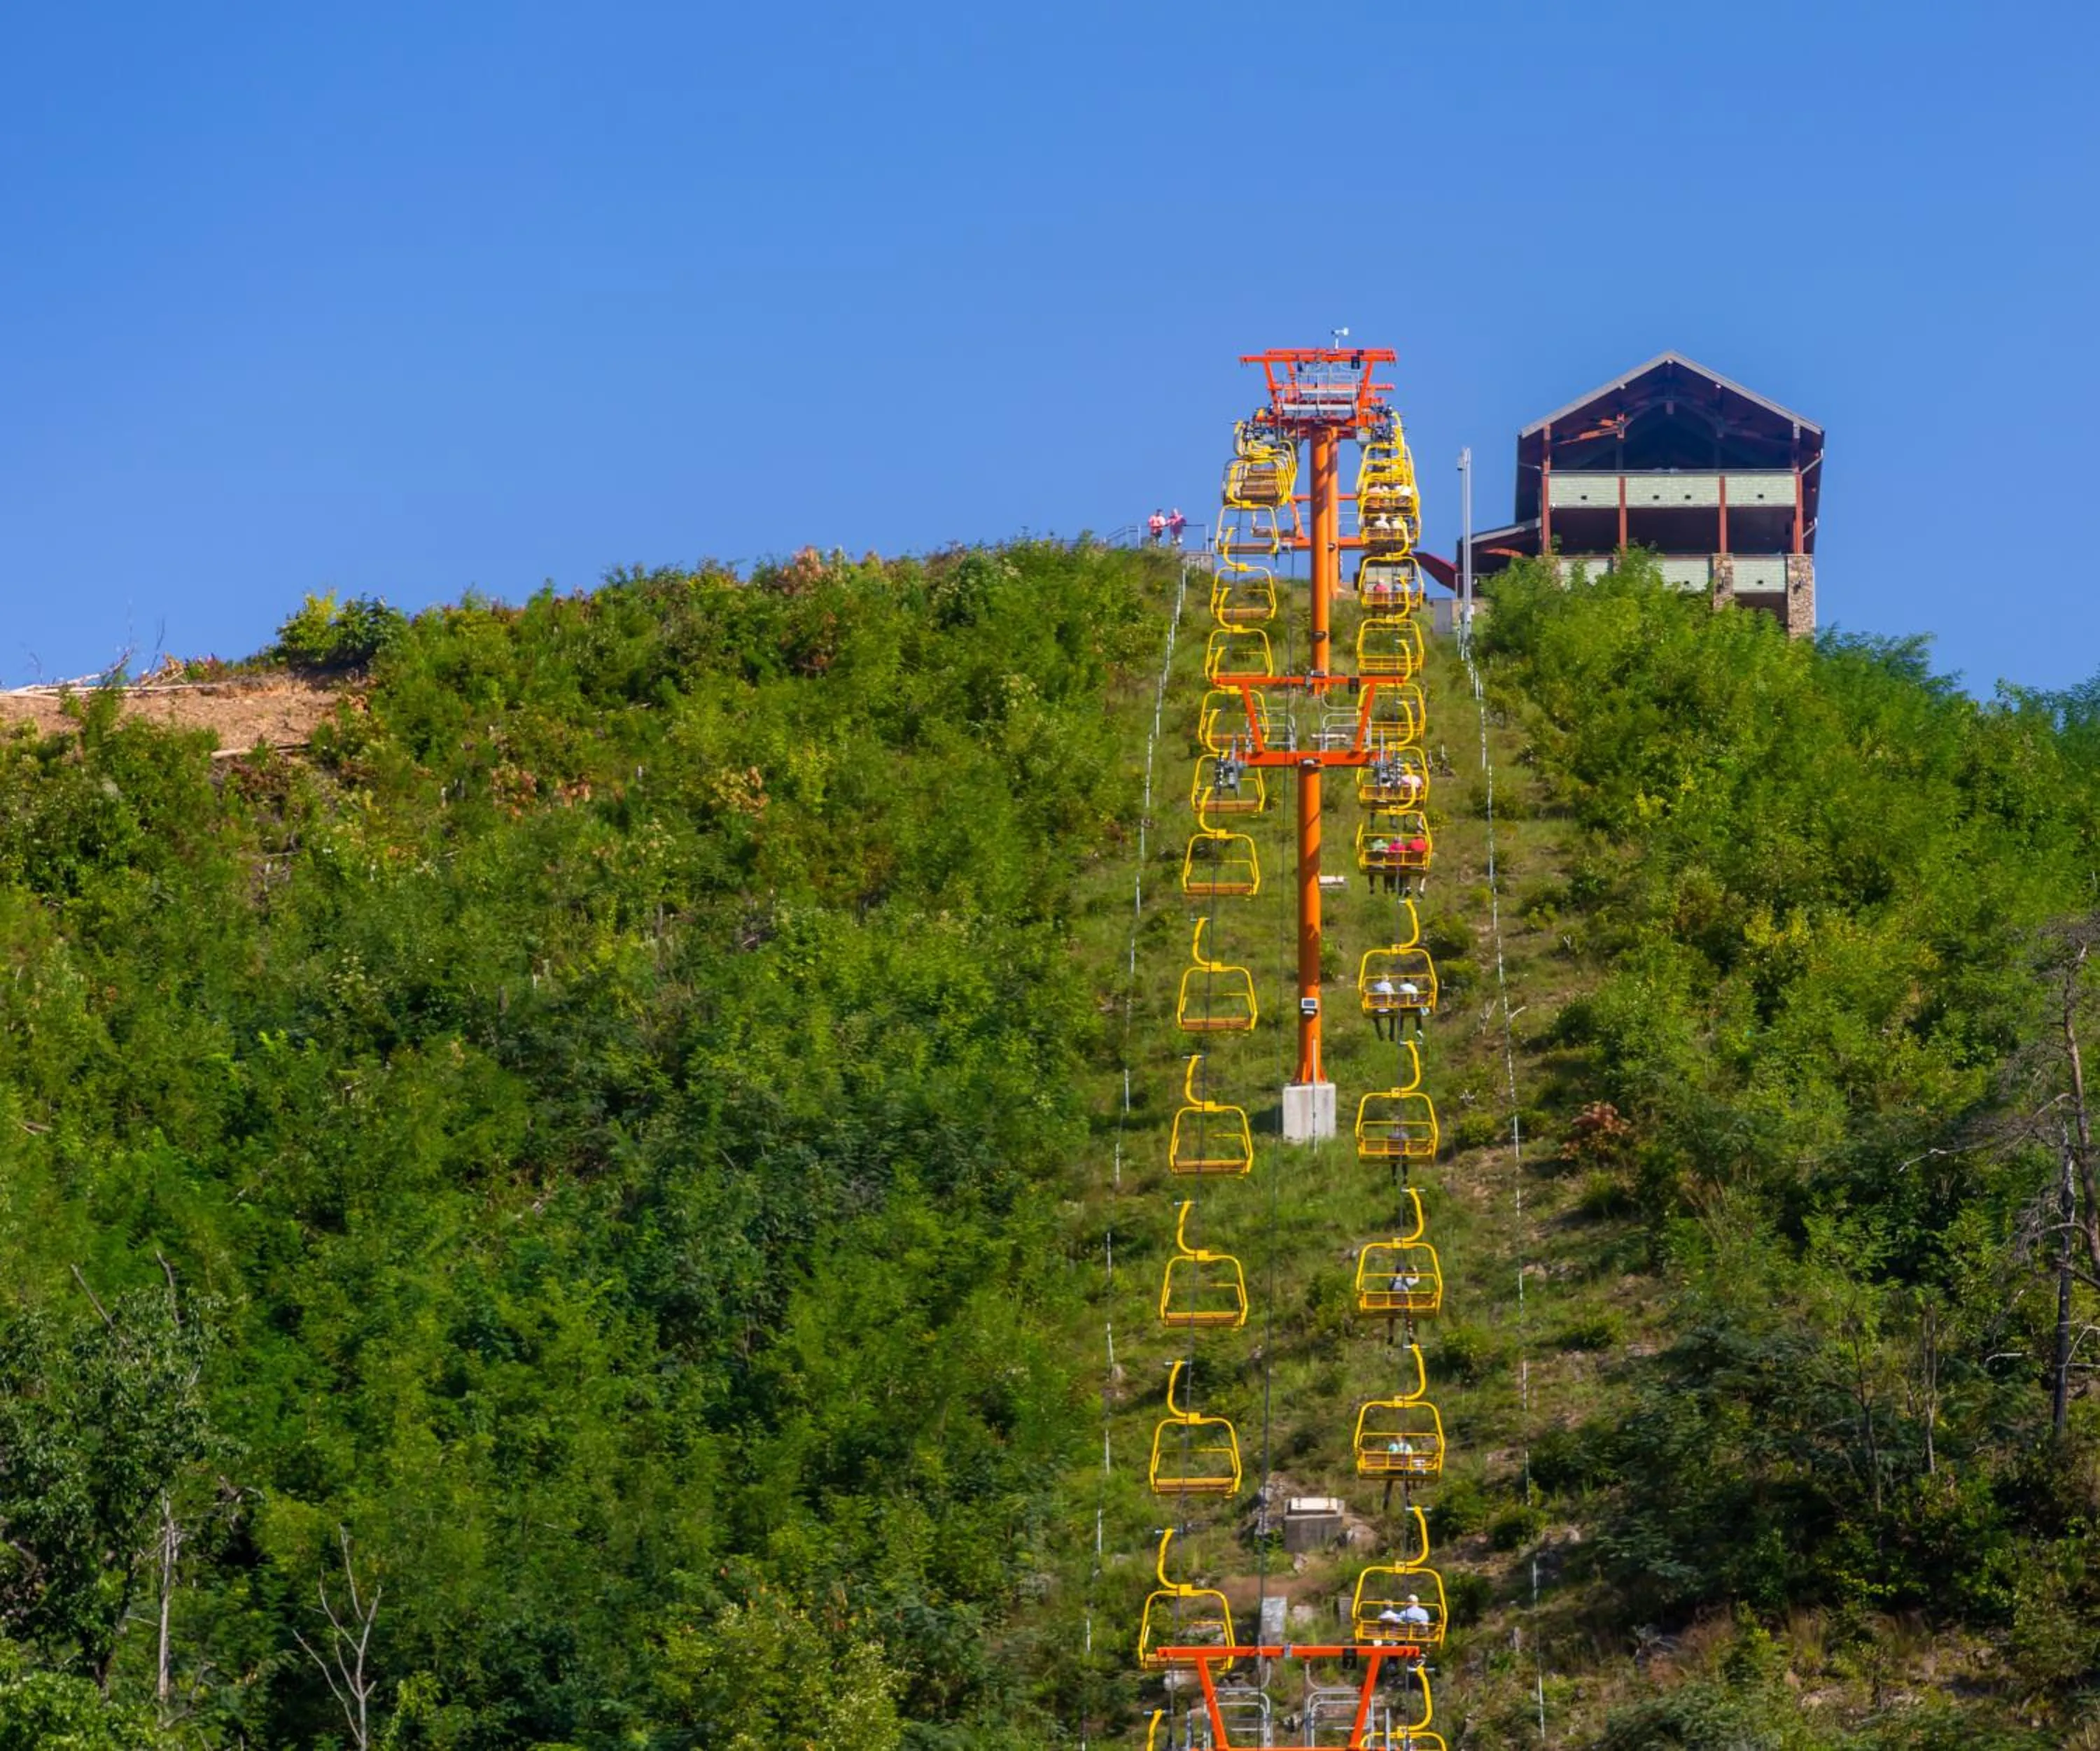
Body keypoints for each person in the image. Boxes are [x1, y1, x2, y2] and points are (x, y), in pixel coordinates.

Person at [1370, 974, 1396, 1041]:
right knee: (1393, 1018)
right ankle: (1392, 1035)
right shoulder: (1389, 986)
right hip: (1388, 1009)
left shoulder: (1376, 986)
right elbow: (1393, 995)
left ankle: (1380, 1034)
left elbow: (1372, 996)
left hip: (1378, 1009)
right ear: (1387, 980)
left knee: (1375, 1017)